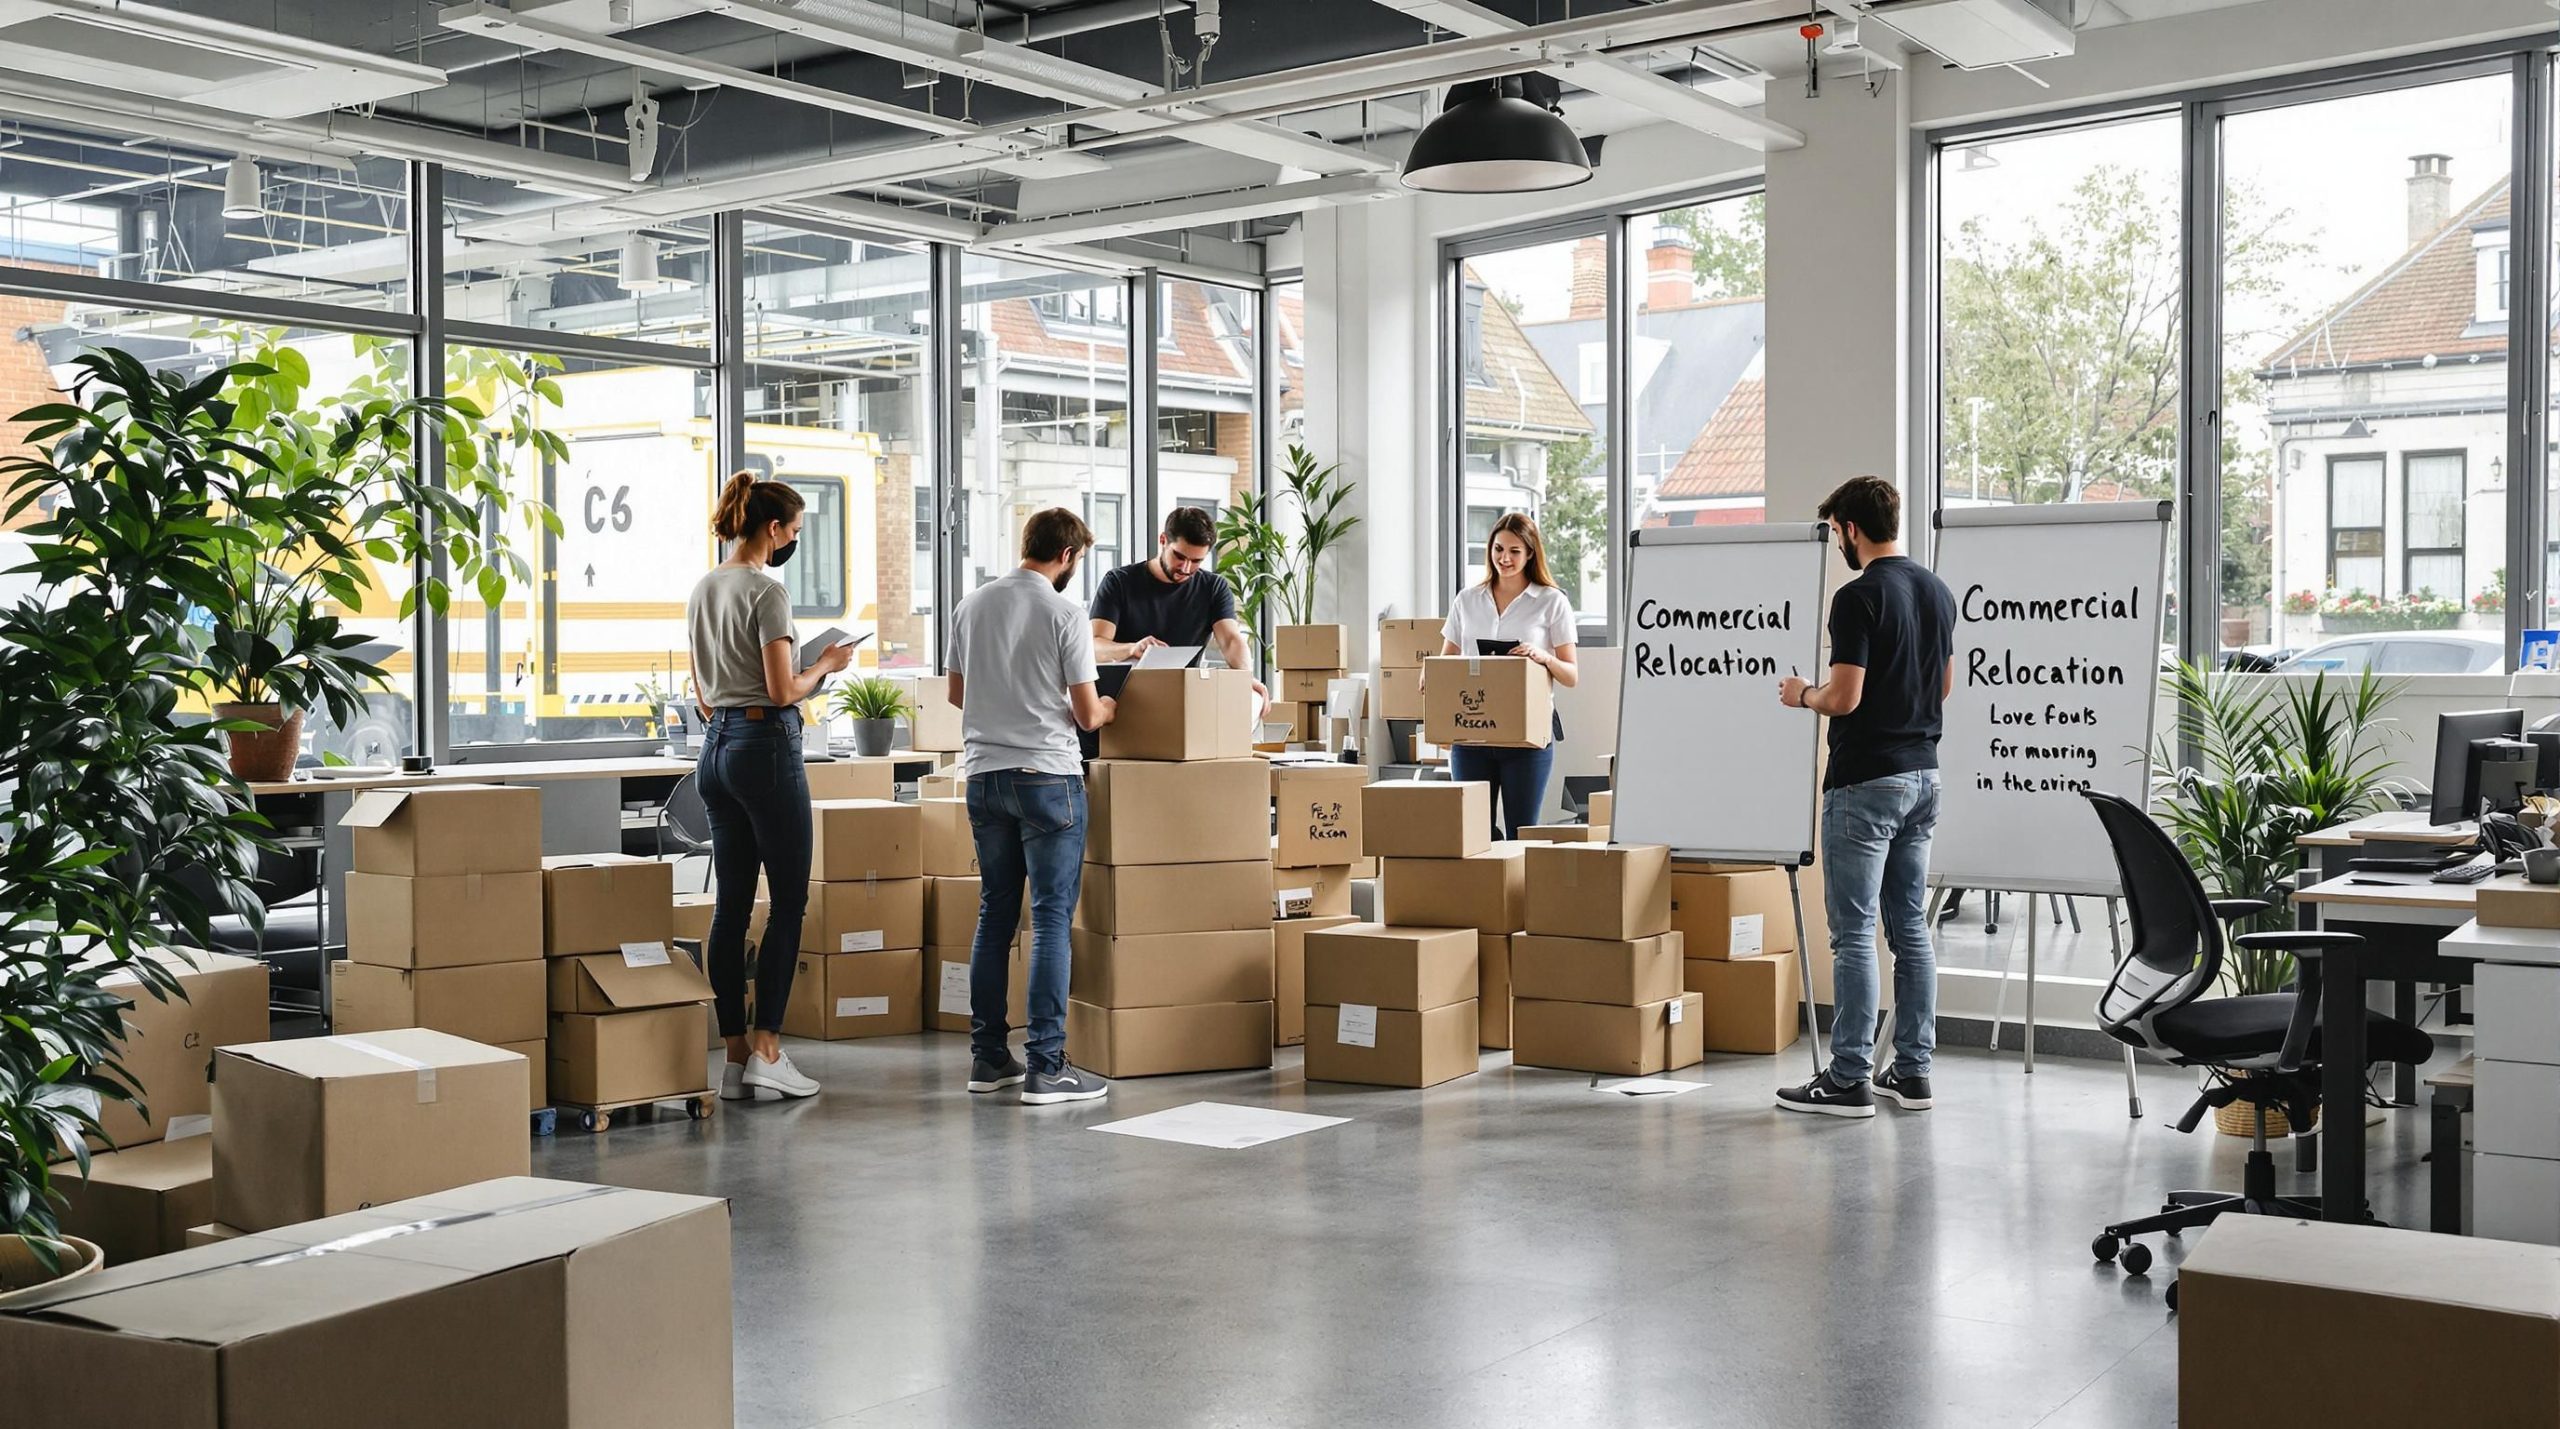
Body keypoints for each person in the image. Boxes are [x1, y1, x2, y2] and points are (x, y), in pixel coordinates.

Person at [1775, 475, 1956, 1120]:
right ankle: (1912, 1073)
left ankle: (1849, 1076)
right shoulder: (1936, 590)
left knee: (1853, 934)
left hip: (1864, 784)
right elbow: (1943, 687)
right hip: (1923, 777)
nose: (1838, 545)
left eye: (1836, 532)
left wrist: (1804, 694)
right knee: (1909, 930)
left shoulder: (1856, 598)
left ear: (1851, 528)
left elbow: (1844, 697)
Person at [687, 472, 853, 1103]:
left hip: (715, 748)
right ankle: (769, 1052)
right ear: (774, 529)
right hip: (766, 747)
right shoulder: (767, 591)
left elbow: (702, 692)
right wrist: (826, 666)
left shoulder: (704, 587)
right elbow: (785, 690)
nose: (794, 541)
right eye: (796, 531)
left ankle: (733, 1059)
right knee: (787, 903)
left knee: (731, 907)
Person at [947, 508, 1119, 1105]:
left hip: (984, 777)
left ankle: (989, 1058)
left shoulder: (970, 606)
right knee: (1049, 919)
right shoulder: (1064, 613)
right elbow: (1087, 713)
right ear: (1068, 556)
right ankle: (1047, 1067)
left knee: (995, 915)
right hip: (1047, 778)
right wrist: (1111, 711)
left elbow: (956, 693)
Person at [1437, 512, 1579, 840]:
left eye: (1515, 551)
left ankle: (1516, 890)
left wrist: (1541, 656)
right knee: (1474, 832)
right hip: (1471, 735)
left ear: (1530, 553)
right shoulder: (1467, 600)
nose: (1505, 558)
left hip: (1527, 738)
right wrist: (1429, 679)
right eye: (1498, 549)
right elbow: (1446, 661)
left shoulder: (1551, 602)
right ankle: (1485, 889)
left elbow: (1571, 675)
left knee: (1522, 832)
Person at [1089, 506, 1267, 697]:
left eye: (1196, 561)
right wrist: (1132, 648)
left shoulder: (1213, 587)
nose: (1186, 568)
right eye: (1179, 556)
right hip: (1126, 694)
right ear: (1163, 540)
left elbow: (1231, 640)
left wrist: (1246, 676)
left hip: (1184, 695)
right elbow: (1094, 647)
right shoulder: (1119, 581)